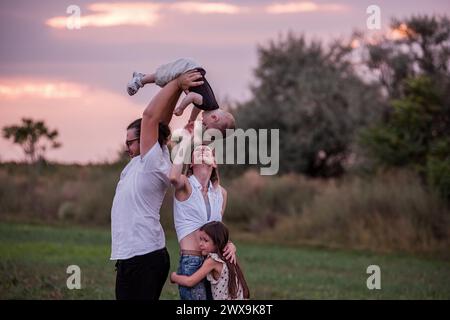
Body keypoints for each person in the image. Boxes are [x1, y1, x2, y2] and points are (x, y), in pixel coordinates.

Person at [110, 70, 203, 300]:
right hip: (130, 256)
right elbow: (160, 120)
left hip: (145, 256)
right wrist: (177, 86)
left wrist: (176, 83)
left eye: (130, 142)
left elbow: (150, 116)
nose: (126, 147)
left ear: (143, 140)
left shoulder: (152, 161)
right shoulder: (141, 161)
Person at [168, 130, 236, 300]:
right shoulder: (185, 184)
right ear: (191, 163)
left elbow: (217, 232)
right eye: (198, 151)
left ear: (214, 163)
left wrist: (230, 245)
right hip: (192, 261)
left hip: (215, 263)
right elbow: (173, 177)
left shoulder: (221, 193)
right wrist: (185, 142)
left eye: (209, 151)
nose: (204, 150)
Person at [126, 58, 235, 136]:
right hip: (188, 68)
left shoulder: (209, 104)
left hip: (191, 68)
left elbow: (197, 106)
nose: (203, 124)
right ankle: (140, 79)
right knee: (164, 77)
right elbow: (191, 96)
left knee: (167, 81)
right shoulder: (207, 104)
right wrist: (181, 108)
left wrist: (191, 119)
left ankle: (142, 78)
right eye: (206, 126)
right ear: (214, 118)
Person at [170, 221, 250, 300]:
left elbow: (190, 281)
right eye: (200, 239)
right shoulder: (227, 256)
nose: (200, 243)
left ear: (217, 242)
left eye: (205, 240)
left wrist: (174, 277)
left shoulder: (213, 261)